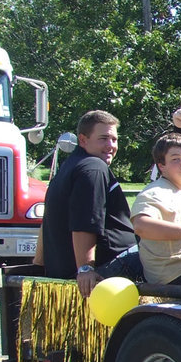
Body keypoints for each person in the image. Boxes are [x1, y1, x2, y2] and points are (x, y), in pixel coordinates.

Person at [39, 110, 135, 297]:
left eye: (114, 140)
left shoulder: (69, 167)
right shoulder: (93, 168)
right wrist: (85, 269)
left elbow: (46, 221)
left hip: (73, 267)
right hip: (107, 265)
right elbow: (85, 221)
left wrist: (38, 263)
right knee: (166, 255)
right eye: (103, 139)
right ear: (83, 140)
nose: (111, 146)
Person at [130, 133, 181, 286]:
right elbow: (141, 226)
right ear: (162, 166)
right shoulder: (155, 192)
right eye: (175, 159)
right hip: (173, 274)